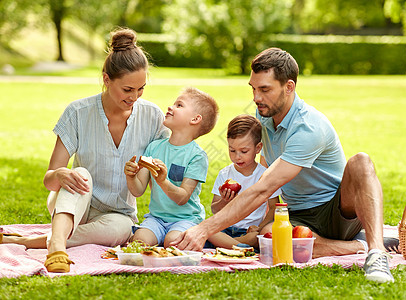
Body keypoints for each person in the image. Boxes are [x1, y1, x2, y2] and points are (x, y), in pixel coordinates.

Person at [172, 48, 395, 283]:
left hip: (336, 211)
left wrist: (203, 229)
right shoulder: (264, 117)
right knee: (268, 238)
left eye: (265, 89)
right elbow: (265, 166)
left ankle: (377, 252)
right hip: (295, 214)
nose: (256, 98)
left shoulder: (308, 126)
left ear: (289, 87)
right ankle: (355, 246)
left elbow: (264, 187)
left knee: (361, 161)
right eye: (253, 88)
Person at [0, 28, 169, 273]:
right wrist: (59, 175)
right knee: (80, 174)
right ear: (106, 79)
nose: (135, 97)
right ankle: (56, 247)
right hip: (73, 201)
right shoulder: (78, 112)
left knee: (122, 230)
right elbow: (50, 179)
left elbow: (159, 173)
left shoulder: (152, 116)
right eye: (127, 89)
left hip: (116, 215)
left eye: (141, 88)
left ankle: (26, 241)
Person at [124, 87, 219, 248]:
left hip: (186, 219)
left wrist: (162, 181)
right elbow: (138, 191)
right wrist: (131, 176)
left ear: (195, 119)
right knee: (139, 242)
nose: (170, 107)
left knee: (173, 243)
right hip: (156, 219)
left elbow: (182, 198)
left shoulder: (197, 156)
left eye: (179, 105)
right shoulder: (154, 148)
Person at [206, 114, 281, 249]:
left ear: (258, 148)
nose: (237, 157)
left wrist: (259, 227)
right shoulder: (225, 174)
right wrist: (224, 201)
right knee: (206, 229)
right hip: (225, 229)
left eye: (244, 151)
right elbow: (214, 209)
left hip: (250, 230)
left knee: (265, 235)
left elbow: (274, 207)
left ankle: (232, 245)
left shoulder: (265, 175)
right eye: (232, 150)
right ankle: (241, 245)